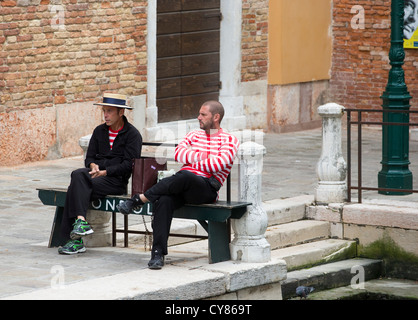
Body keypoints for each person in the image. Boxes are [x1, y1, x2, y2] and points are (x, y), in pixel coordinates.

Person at [118, 101, 239, 269]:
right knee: (164, 200)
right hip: (183, 184)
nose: (199, 117)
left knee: (185, 174)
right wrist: (204, 157)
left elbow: (217, 165)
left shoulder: (229, 140)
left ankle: (139, 199)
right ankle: (157, 254)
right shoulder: (194, 134)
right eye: (199, 113)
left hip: (206, 189)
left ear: (216, 117)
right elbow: (178, 154)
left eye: (203, 114)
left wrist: (193, 158)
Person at [58, 93, 142, 254]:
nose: (106, 115)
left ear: (121, 113)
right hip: (95, 178)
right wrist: (93, 165)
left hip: (116, 182)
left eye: (110, 111)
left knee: (76, 184)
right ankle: (81, 222)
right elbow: (89, 158)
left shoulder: (133, 135)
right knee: (78, 175)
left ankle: (74, 241)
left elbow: (128, 166)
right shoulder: (99, 131)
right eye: (104, 111)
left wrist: (105, 171)